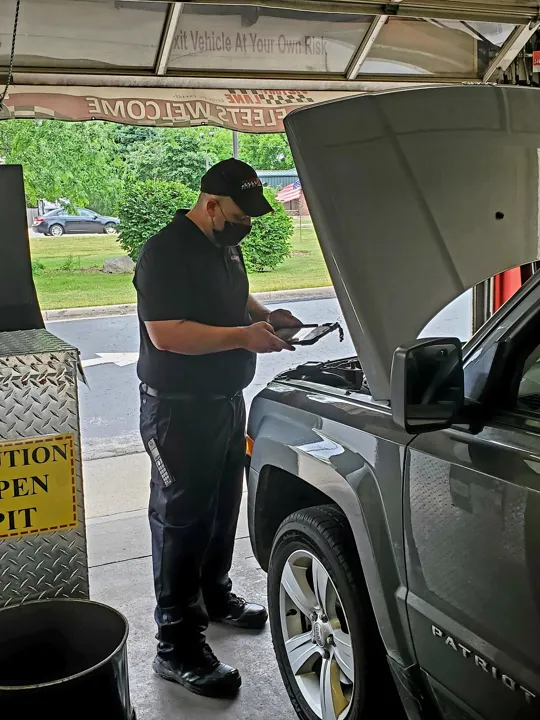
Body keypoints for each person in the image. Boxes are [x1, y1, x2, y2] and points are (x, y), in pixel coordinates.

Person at [134, 158, 302, 698]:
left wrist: (267, 316)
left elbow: (236, 298)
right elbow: (165, 334)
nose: (245, 225)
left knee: (223, 507)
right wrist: (241, 338)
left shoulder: (222, 242)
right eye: (238, 215)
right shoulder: (165, 252)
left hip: (226, 401)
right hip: (177, 410)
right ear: (210, 205)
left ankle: (215, 594)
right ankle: (176, 645)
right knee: (181, 520)